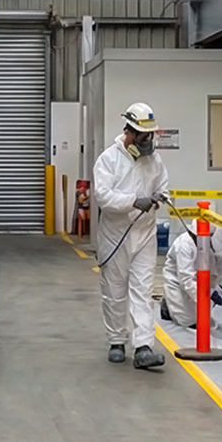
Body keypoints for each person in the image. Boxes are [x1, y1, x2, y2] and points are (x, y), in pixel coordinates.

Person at [92, 102, 170, 370]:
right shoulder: (108, 160)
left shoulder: (154, 161)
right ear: (130, 132)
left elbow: (163, 185)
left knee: (142, 291)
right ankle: (116, 341)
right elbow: (102, 197)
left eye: (151, 136)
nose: (148, 142)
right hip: (115, 236)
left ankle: (143, 346)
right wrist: (134, 201)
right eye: (144, 136)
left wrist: (161, 197)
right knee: (114, 292)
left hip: (144, 235)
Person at [161, 221, 222, 328]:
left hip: (196, 285)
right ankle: (167, 306)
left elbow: (218, 266)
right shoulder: (184, 245)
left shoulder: (203, 244)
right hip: (178, 284)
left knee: (204, 319)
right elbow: (186, 280)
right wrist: (207, 293)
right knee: (188, 320)